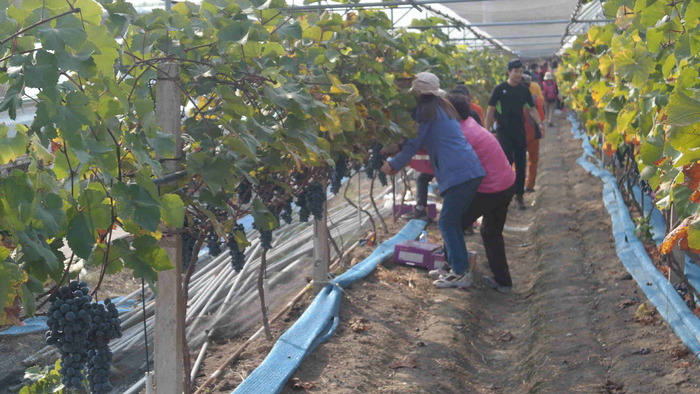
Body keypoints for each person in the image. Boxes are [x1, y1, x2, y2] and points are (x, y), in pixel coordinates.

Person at [381, 72, 485, 289]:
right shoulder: (441, 108)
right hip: (467, 170)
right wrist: (397, 149)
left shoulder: (424, 113)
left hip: (459, 173)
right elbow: (419, 141)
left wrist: (393, 165)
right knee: (450, 222)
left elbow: (413, 145)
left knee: (447, 222)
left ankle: (461, 272)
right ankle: (453, 266)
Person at [432, 91, 516, 293]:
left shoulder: (461, 133)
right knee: (490, 232)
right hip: (505, 183)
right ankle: (503, 281)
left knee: (451, 223)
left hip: (491, 188)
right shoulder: (469, 123)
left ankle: (455, 270)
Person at [485, 59, 545, 210]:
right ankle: (504, 195)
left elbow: (532, 109)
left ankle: (519, 196)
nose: (518, 74)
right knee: (506, 163)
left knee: (521, 164)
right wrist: (487, 131)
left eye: (520, 71)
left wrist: (540, 124)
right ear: (508, 72)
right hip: (503, 131)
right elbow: (490, 110)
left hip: (519, 132)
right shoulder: (500, 89)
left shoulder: (524, 91)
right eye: (515, 71)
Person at [522, 74, 545, 193]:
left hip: (517, 134)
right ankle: (529, 185)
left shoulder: (510, 98)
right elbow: (541, 116)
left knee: (517, 161)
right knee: (533, 159)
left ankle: (517, 184)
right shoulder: (535, 98)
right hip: (532, 134)